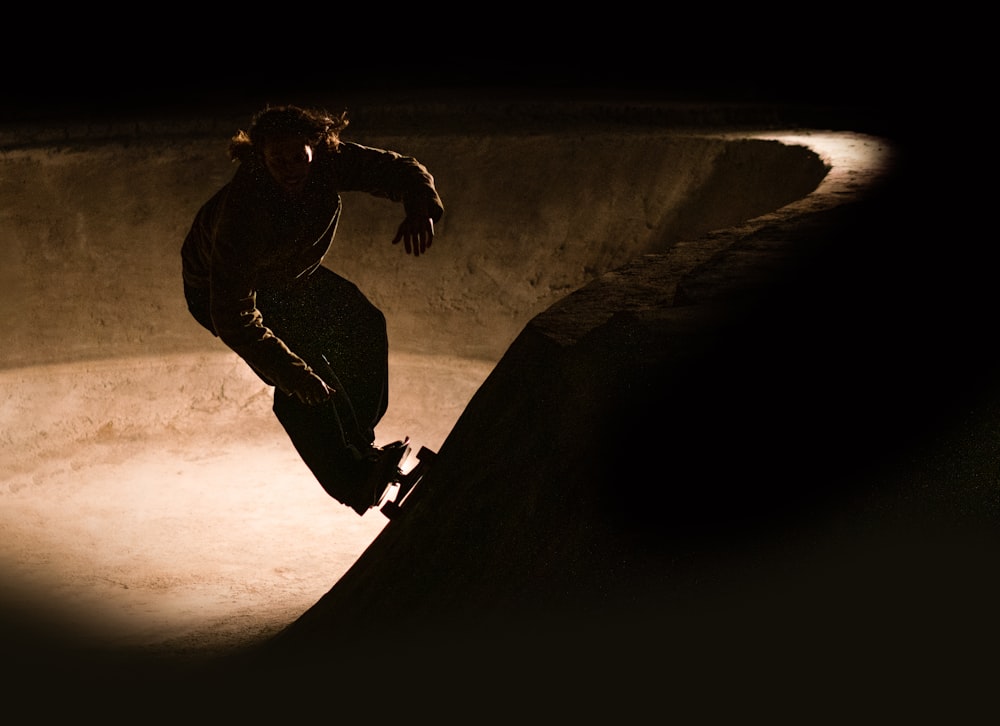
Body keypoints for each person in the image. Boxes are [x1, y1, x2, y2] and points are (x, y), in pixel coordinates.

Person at [181, 104, 444, 515]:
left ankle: (360, 444)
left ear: (315, 148)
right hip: (221, 294)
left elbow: (401, 169)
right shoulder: (242, 211)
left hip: (290, 275)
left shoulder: (330, 162)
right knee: (302, 379)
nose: (290, 170)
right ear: (260, 158)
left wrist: (420, 204)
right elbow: (233, 316)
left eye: (298, 157)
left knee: (364, 325)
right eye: (277, 161)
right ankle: (353, 481)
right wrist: (291, 373)